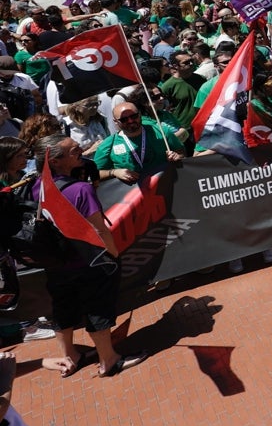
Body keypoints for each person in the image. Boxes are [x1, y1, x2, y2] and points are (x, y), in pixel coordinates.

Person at [33, 135, 148, 379]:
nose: (81, 151)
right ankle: (109, 360)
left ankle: (70, 356)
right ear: (55, 161)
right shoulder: (80, 190)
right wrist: (114, 255)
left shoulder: (37, 187)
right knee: (97, 308)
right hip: (89, 262)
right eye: (74, 151)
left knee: (63, 308)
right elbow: (99, 230)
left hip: (55, 265)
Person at [93, 103, 184, 184]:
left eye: (134, 116)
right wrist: (114, 172)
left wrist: (177, 156)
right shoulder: (108, 145)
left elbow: (181, 152)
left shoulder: (161, 131)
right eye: (124, 119)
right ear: (116, 121)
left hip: (166, 185)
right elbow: (95, 174)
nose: (130, 121)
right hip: (133, 196)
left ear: (140, 114)